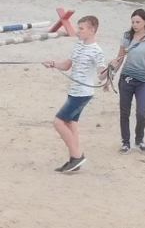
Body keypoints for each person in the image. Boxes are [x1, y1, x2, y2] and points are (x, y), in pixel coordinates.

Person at [42, 15, 107, 174]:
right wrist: (53, 64)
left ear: (92, 30)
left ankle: (77, 156)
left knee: (58, 122)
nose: (78, 31)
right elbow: (66, 65)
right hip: (73, 91)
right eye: (78, 28)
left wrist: (110, 69)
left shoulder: (97, 51)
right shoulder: (78, 46)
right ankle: (74, 158)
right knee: (71, 123)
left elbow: (101, 74)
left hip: (83, 93)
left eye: (81, 28)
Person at [110, 8, 145, 153]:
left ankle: (139, 139)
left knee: (141, 112)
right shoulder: (127, 37)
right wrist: (111, 73)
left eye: (138, 22)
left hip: (144, 80)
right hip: (126, 78)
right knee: (124, 112)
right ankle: (125, 142)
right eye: (133, 22)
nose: (135, 24)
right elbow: (119, 59)